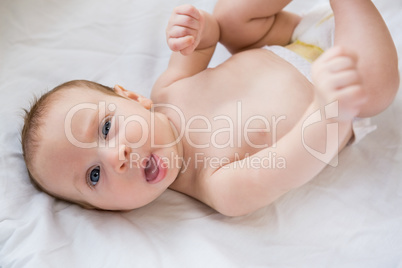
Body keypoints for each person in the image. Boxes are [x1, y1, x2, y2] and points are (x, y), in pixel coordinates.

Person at [21, 0, 399, 216]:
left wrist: (199, 32)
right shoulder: (218, 186)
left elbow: (207, 43)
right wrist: (327, 107)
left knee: (230, 14)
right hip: (340, 81)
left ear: (132, 98)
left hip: (282, 40)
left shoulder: (167, 89)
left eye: (105, 129)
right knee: (376, 91)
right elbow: (293, 160)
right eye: (93, 177)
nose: (115, 156)